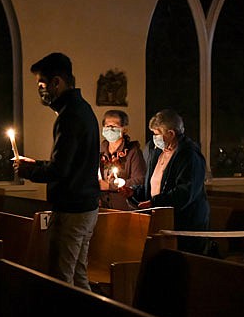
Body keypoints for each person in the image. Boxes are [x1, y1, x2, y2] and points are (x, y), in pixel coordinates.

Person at [14, 52, 100, 290]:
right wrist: (35, 165)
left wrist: (28, 171)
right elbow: (68, 162)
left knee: (62, 278)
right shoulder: (83, 109)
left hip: (73, 209)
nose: (41, 91)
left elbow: (60, 170)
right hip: (86, 206)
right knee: (79, 275)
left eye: (42, 84)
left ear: (57, 82)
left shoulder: (70, 116)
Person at [118, 109, 210, 255]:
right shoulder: (157, 151)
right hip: (160, 220)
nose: (154, 138)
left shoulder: (189, 155)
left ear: (171, 134)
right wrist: (134, 192)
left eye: (157, 133)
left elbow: (185, 192)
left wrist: (155, 202)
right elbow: (153, 185)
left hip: (183, 224)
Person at [98, 109, 146, 209]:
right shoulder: (99, 151)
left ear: (124, 129)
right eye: (107, 126)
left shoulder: (133, 152)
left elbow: (139, 180)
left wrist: (110, 185)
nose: (110, 129)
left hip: (123, 207)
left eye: (114, 126)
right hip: (101, 206)